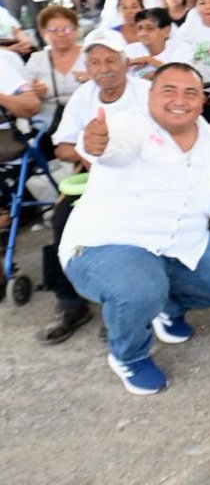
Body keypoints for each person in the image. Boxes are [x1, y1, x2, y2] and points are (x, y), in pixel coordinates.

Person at [61, 63, 210, 394]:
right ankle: (129, 356)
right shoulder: (128, 124)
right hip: (109, 245)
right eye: (168, 90)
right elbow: (110, 146)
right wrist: (96, 144)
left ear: (202, 102)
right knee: (138, 288)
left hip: (181, 244)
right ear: (151, 95)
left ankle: (169, 308)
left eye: (190, 92)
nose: (180, 99)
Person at [38, 28, 151, 345]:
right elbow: (61, 146)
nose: (104, 68)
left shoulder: (145, 93)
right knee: (62, 219)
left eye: (111, 60)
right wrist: (88, 152)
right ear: (87, 67)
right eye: (96, 62)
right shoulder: (83, 96)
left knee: (132, 226)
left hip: (140, 177)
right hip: (96, 178)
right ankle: (70, 303)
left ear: (126, 62)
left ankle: (124, 304)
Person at [24, 6, 87, 134]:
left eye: (68, 29)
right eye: (54, 30)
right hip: (46, 128)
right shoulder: (37, 59)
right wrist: (32, 92)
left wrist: (95, 79)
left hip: (87, 123)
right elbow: (22, 94)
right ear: (43, 33)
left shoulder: (91, 55)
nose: (61, 34)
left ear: (77, 30)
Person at [126, 8, 194, 78]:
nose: (143, 33)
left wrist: (149, 60)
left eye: (149, 28)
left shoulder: (182, 49)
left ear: (166, 31)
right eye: (140, 28)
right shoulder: (130, 49)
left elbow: (179, 76)